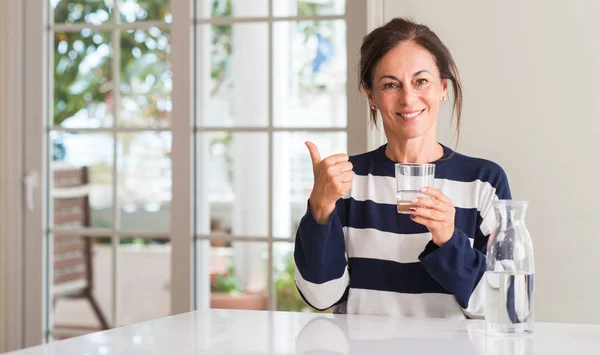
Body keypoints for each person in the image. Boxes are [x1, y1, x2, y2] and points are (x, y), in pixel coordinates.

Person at [294, 17, 511, 319]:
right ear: (371, 96)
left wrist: (448, 240)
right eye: (390, 84)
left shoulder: (484, 182)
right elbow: (320, 296)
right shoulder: (345, 180)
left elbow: (502, 305)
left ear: (443, 88)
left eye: (421, 81)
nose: (408, 98)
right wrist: (320, 209)